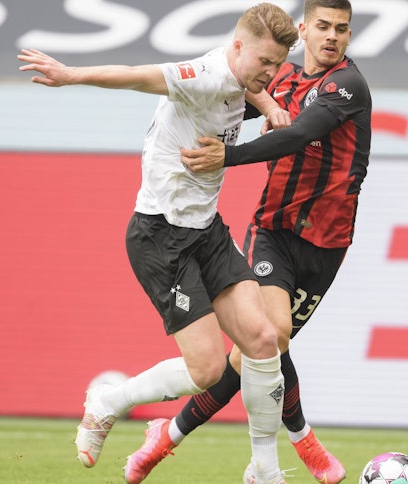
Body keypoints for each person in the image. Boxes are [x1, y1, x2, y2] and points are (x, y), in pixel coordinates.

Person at [17, 4, 299, 484]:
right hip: (160, 235)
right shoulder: (202, 75)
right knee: (208, 368)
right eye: (264, 63)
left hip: (206, 230)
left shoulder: (245, 76)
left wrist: (271, 104)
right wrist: (70, 75)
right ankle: (109, 402)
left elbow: (255, 89)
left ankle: (264, 472)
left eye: (277, 65)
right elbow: (134, 75)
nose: (271, 73)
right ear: (237, 47)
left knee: (264, 339)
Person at [133, 1, 371, 483]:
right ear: (302, 30)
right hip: (273, 231)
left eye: (341, 30)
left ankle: (166, 436)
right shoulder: (274, 79)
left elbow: (298, 135)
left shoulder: (347, 84)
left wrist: (227, 156)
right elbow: (216, 101)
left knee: (249, 356)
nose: (331, 37)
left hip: (328, 243)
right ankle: (303, 442)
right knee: (272, 333)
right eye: (322, 26)